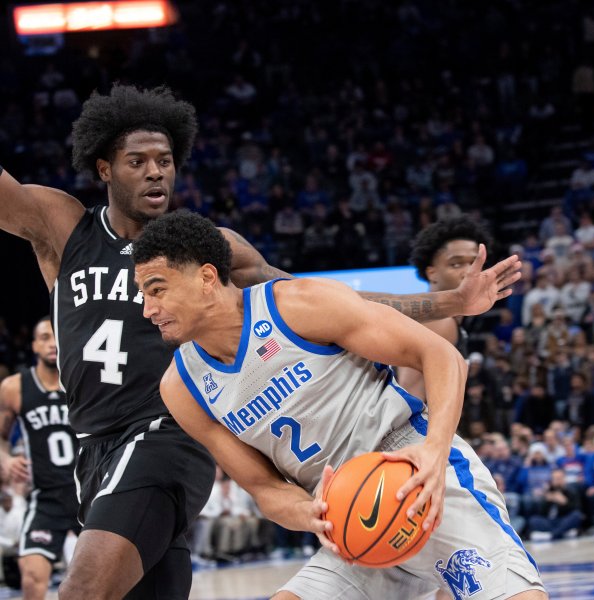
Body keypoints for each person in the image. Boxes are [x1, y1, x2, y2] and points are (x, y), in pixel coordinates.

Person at [0, 83, 522, 598]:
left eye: (165, 160)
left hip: (165, 435)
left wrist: (449, 303)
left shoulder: (211, 252)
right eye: (138, 161)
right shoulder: (63, 227)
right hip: (93, 447)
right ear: (104, 168)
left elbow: (332, 303)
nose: (156, 171)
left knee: (83, 589)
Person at [132, 210, 546, 600]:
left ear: (206, 277)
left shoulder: (296, 305)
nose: (148, 309)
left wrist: (436, 452)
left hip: (415, 470)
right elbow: (265, 489)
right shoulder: (182, 386)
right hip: (349, 516)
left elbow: (441, 355)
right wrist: (312, 513)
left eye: (157, 290)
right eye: (144, 295)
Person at [0, 317, 80, 599]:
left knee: (110, 581)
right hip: (46, 498)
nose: (53, 343)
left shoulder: (81, 380)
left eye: (56, 336)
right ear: (34, 345)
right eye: (45, 337)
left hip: (90, 495)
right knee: (32, 579)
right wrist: (7, 460)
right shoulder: (14, 387)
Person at [397, 216, 492, 400]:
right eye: (456, 264)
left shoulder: (446, 320)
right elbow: (409, 399)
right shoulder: (439, 322)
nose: (468, 272)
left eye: (474, 263)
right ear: (432, 273)